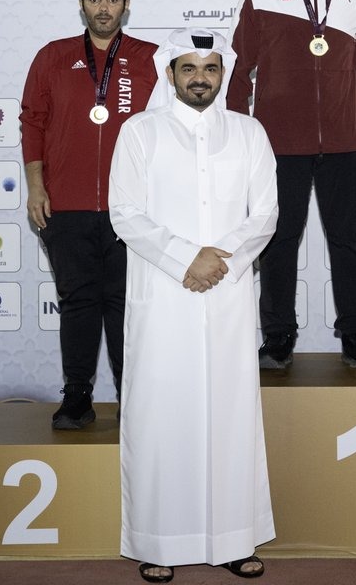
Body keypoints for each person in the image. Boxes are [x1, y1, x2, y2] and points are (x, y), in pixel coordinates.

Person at [109, 28, 278, 582]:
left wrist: (218, 261)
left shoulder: (250, 133)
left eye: (210, 68)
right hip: (164, 294)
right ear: (170, 74)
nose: (200, 78)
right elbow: (125, 212)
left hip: (226, 294)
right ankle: (159, 541)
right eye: (189, 68)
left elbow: (265, 214)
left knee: (230, 416)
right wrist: (187, 258)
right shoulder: (140, 132)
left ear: (223, 74)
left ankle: (233, 538)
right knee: (162, 416)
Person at [225, 0, 356, 370]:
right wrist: (236, 128)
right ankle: (278, 338)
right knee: (278, 242)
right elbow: (238, 67)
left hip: (345, 141)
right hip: (279, 143)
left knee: (350, 242)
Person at [20, 0, 162, 430]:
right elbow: (33, 121)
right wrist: (36, 185)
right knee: (78, 303)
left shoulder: (151, 58)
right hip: (67, 204)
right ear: (81, 5)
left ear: (126, 6)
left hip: (132, 208)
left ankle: (131, 398)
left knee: (125, 305)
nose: (104, 8)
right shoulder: (53, 56)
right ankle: (77, 397)